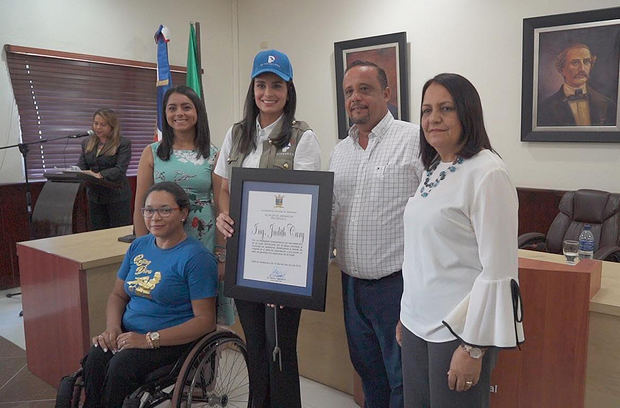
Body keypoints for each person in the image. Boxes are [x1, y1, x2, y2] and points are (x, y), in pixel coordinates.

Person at [397, 73, 525, 407]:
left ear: (467, 113)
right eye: (426, 110)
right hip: (415, 324)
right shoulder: (434, 167)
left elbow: (499, 271)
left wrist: (473, 347)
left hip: (456, 333)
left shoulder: (488, 173)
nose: (432, 118)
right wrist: (405, 314)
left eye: (446, 108)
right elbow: (423, 254)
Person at [215, 49, 321, 408]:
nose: (268, 93)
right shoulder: (237, 133)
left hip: (283, 263)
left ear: (288, 90)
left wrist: (287, 274)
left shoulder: (302, 137)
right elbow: (222, 184)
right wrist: (223, 214)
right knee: (255, 346)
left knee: (281, 348)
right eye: (261, 84)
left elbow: (307, 205)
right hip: (244, 257)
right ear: (253, 88)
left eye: (277, 85)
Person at [329, 60, 423, 408]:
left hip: (397, 286)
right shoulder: (340, 152)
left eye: (365, 89)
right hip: (352, 285)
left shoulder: (415, 140)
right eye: (349, 91)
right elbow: (331, 217)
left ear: (386, 93)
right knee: (368, 373)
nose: (356, 97)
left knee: (403, 377)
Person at [82, 181, 217, 407]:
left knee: (120, 365)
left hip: (170, 340)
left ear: (183, 213)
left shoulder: (196, 258)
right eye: (149, 210)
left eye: (165, 210)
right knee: (96, 356)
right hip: (129, 333)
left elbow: (205, 321)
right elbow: (118, 295)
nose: (155, 217)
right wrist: (113, 328)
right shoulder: (139, 246)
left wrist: (148, 339)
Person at [134, 85, 233, 325]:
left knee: (202, 312)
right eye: (172, 108)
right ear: (165, 115)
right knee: (167, 301)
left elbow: (222, 206)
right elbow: (140, 205)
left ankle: (205, 362)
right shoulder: (152, 153)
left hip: (204, 238)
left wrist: (221, 254)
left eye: (186, 107)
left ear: (198, 112)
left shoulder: (214, 154)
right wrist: (141, 248)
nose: (179, 113)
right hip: (162, 240)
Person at [76, 108, 132, 230]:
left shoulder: (123, 143)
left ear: (112, 126)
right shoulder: (87, 142)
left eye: (103, 124)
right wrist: (77, 172)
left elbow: (120, 169)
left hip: (117, 195)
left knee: (118, 232)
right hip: (95, 196)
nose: (98, 127)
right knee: (98, 233)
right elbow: (82, 166)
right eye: (96, 123)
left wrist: (99, 174)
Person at [538, 42, 617, 126]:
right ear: (562, 69)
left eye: (586, 62)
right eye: (575, 62)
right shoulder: (545, 108)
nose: (582, 69)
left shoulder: (608, 105)